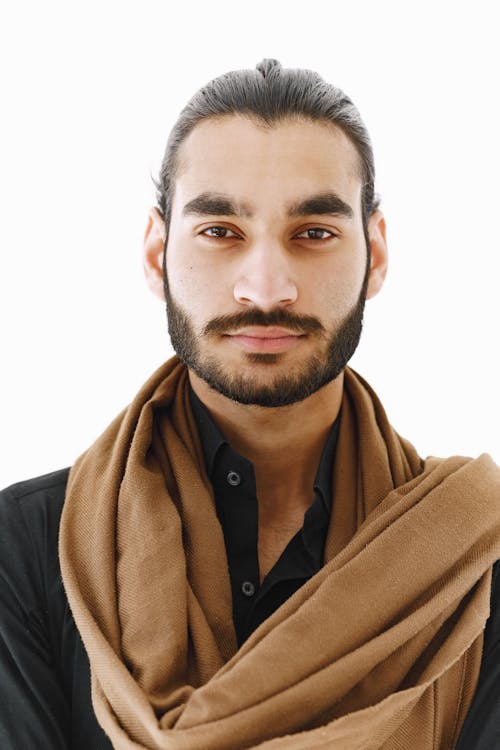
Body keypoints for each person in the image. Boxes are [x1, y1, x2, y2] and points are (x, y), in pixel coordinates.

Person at [1, 59, 499, 750]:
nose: (266, 287)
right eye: (221, 232)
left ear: (375, 254)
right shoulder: (22, 549)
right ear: (157, 254)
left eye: (314, 232)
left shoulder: (477, 561)